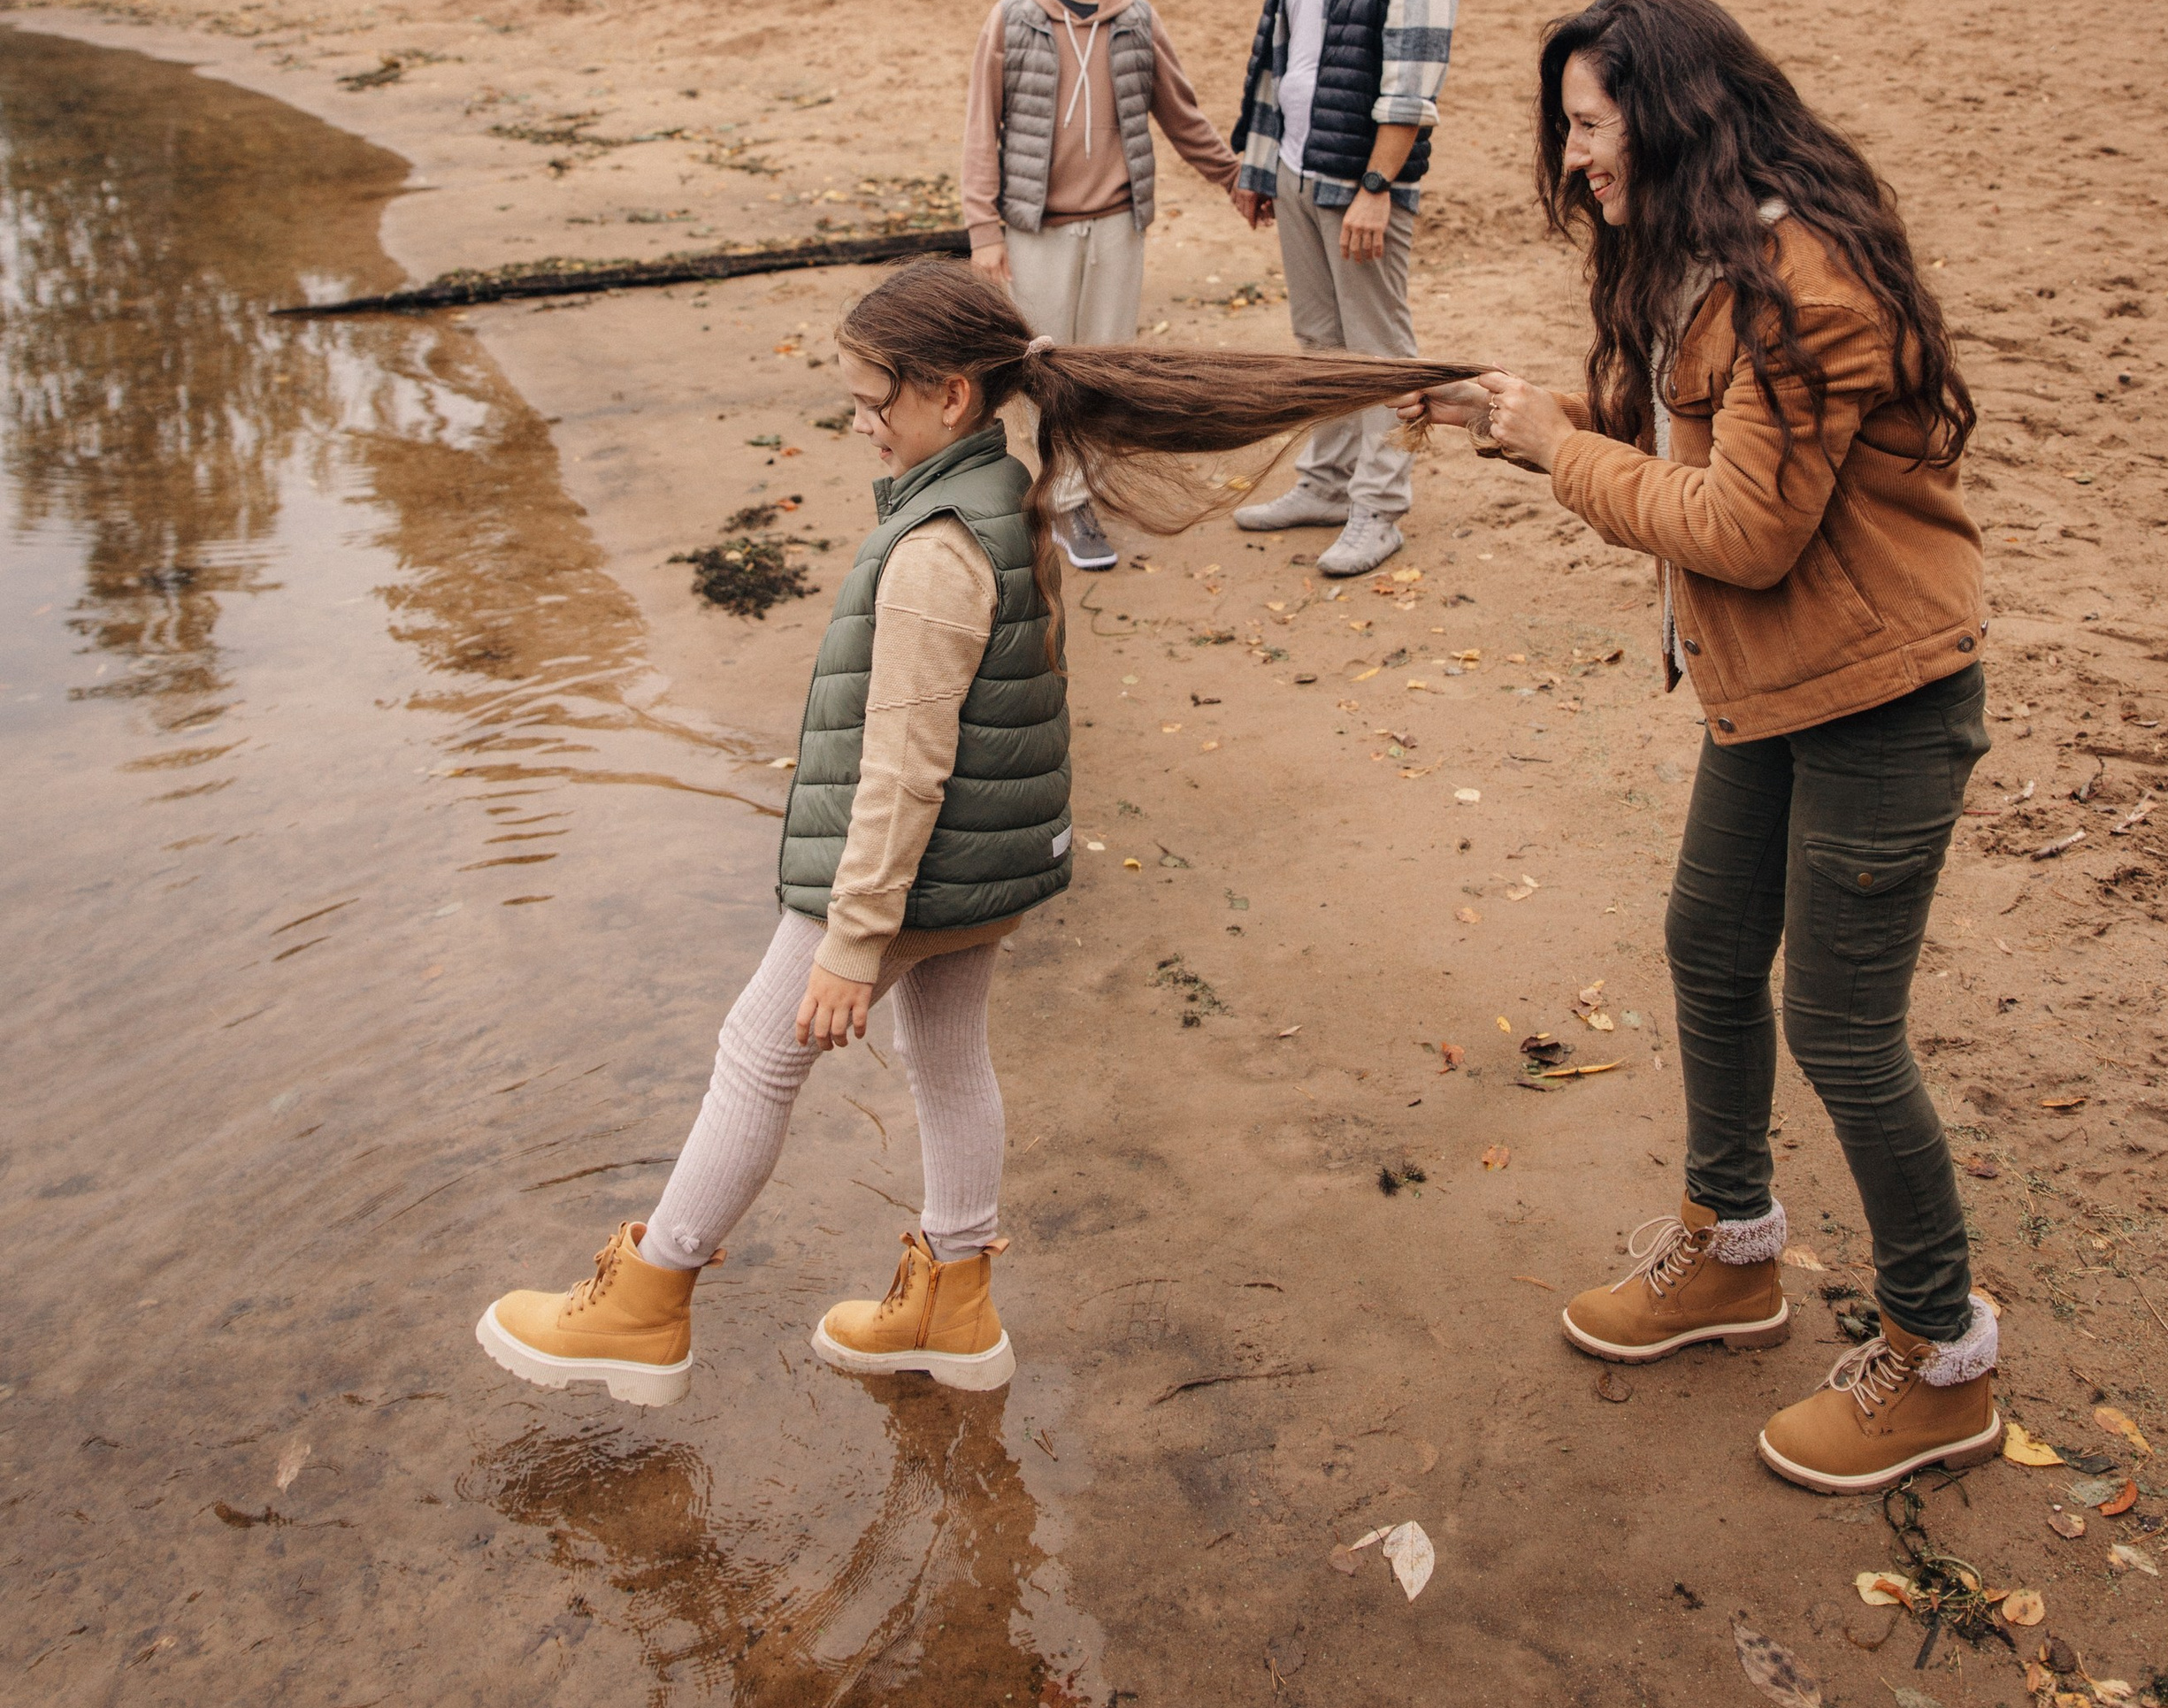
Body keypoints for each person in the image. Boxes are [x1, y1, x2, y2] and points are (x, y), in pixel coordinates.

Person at [477, 261, 1476, 1412]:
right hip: (983, 863)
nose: (857, 419)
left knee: (759, 1052)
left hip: (909, 867)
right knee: (948, 1062)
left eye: (870, 398)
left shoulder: (933, 549)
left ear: (948, 396)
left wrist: (854, 938)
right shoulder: (1002, 492)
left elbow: (902, 770)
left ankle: (648, 1304)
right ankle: (952, 1303)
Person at [1414, 0, 1999, 1497]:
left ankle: (1942, 1356)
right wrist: (1511, 414)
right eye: (1568, 129)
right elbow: (1659, 438)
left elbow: (1741, 530)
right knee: (1706, 944)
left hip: (1880, 693)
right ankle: (1736, 1253)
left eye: (1592, 126)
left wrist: (1555, 452)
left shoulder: (1801, 283)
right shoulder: (1695, 258)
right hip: (1772, 685)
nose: (1577, 157)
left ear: (1671, 119)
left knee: (1847, 1034)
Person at [962, 0, 1241, 574]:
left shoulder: (1136, 18)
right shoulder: (1012, 18)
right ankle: (1059, 496)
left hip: (1117, 222)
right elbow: (979, 128)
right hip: (1036, 227)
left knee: (1106, 367)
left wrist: (1235, 178)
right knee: (1046, 365)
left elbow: (1181, 113)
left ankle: (1078, 493)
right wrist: (985, 231)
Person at [1230, 0, 1460, 580]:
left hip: (1362, 183)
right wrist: (1259, 167)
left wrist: (1377, 187)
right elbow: (1278, 53)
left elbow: (1413, 81)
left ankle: (1380, 508)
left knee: (1380, 353)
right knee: (1319, 344)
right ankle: (1325, 485)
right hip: (1294, 166)